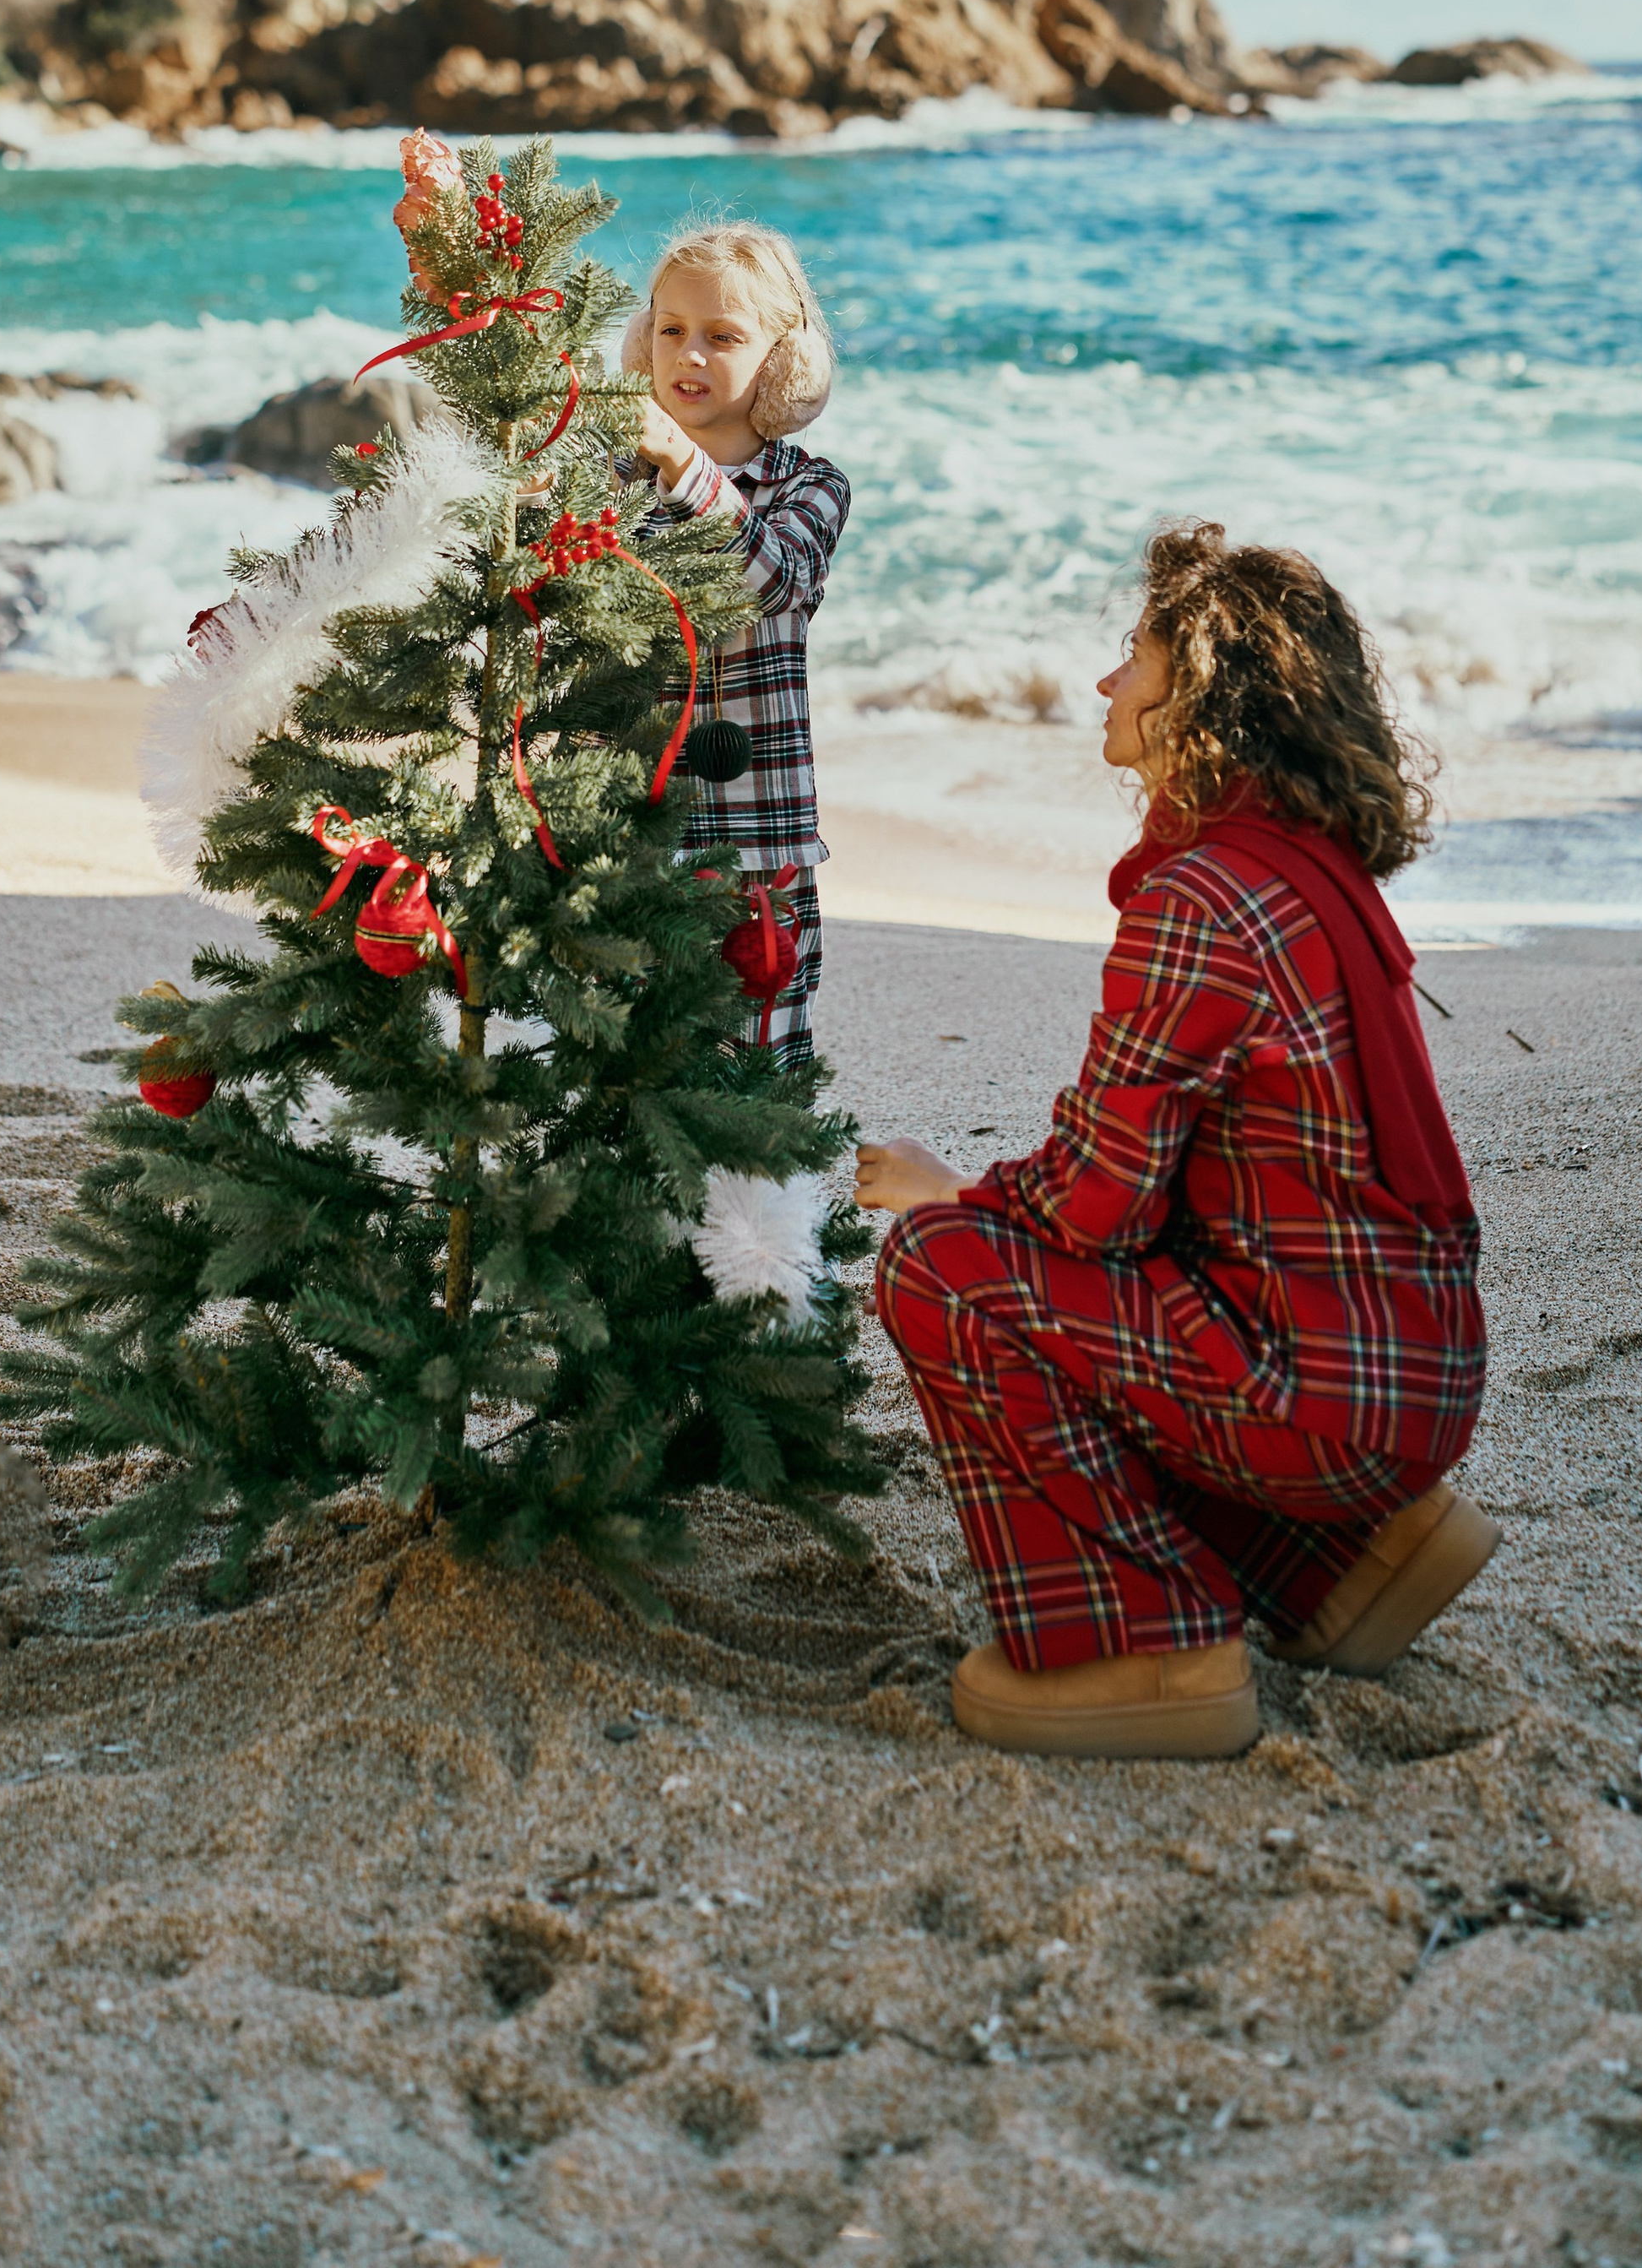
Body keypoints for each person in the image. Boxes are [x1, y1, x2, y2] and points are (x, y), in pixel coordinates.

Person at [855, 523, 1493, 1761]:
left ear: (1201, 696)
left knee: (943, 1274)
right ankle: (1342, 1563)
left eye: (1133, 657)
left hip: (1330, 1398)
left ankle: (1148, 1649)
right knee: (1134, 1298)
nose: (1105, 683)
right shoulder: (1310, 864)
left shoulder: (1201, 899)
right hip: (1414, 1368)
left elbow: (1095, 1204)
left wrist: (950, 1200)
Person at [620, 220, 848, 1068]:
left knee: (759, 1045)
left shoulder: (810, 487)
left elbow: (773, 578)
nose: (690, 355)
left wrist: (683, 467)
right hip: (633, 823)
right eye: (671, 331)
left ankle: (760, 1205)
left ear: (782, 361)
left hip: (759, 830)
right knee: (635, 1053)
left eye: (723, 337)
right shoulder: (611, 483)